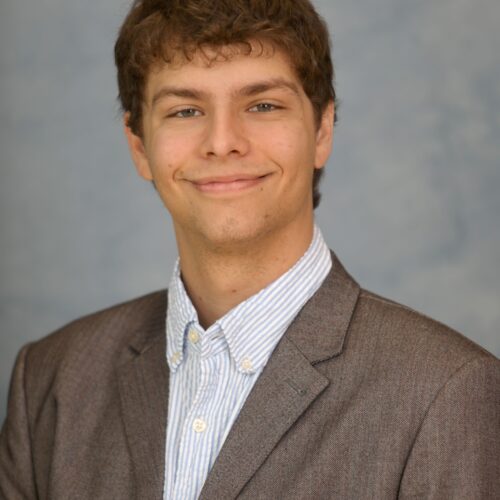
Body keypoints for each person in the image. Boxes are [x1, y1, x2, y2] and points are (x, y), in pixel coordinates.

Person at [1, 0, 499, 498]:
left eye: (263, 105)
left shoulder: (446, 392)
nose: (222, 142)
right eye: (185, 110)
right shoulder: (51, 381)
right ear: (139, 147)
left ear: (322, 130)